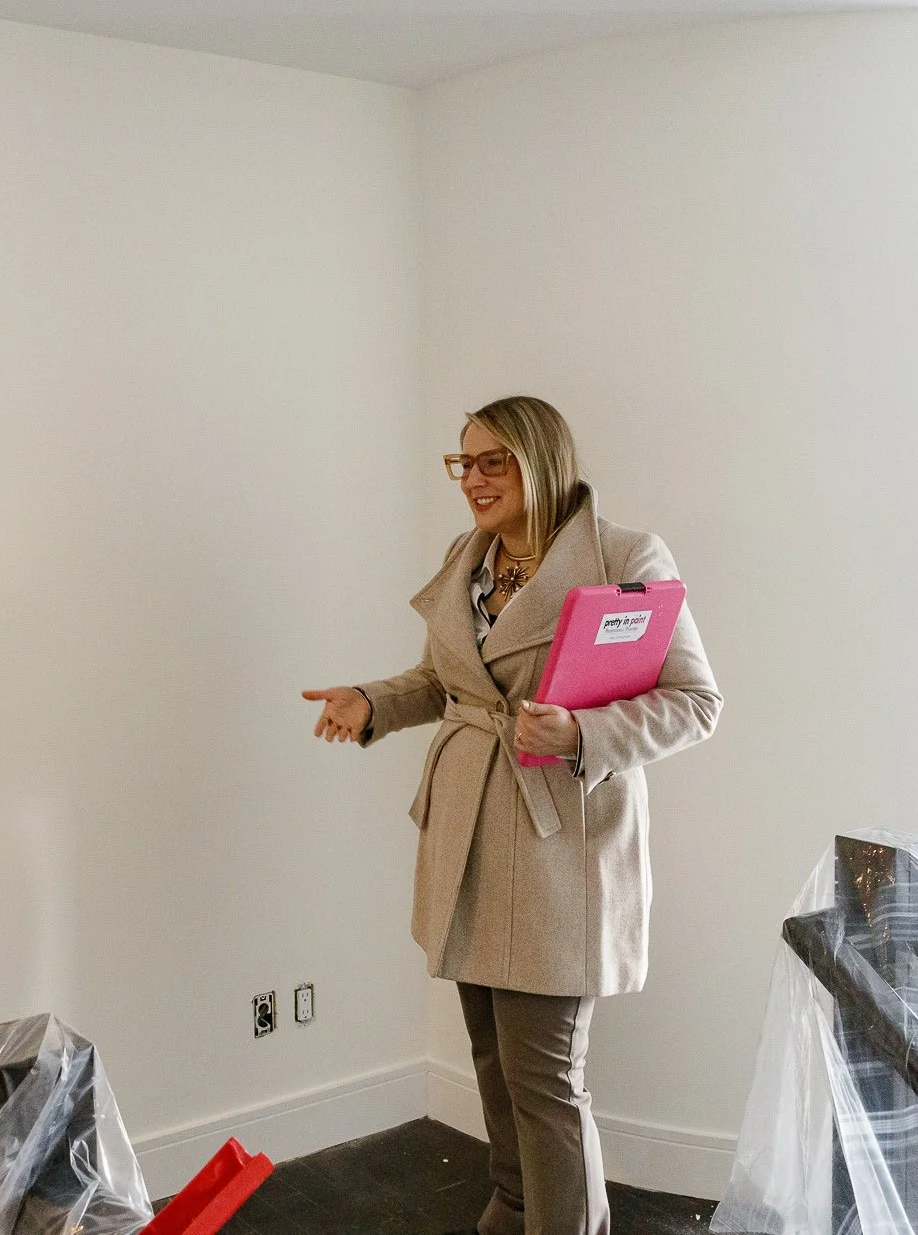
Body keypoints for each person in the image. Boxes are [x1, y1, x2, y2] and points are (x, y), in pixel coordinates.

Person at [302, 396, 720, 1235]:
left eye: (494, 460)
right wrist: (373, 701)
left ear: (542, 458)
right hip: (470, 831)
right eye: (464, 463)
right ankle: (516, 1206)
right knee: (493, 1058)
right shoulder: (470, 560)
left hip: (562, 840)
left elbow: (695, 701)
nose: (473, 479)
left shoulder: (623, 556)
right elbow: (446, 680)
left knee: (546, 1075)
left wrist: (583, 732)